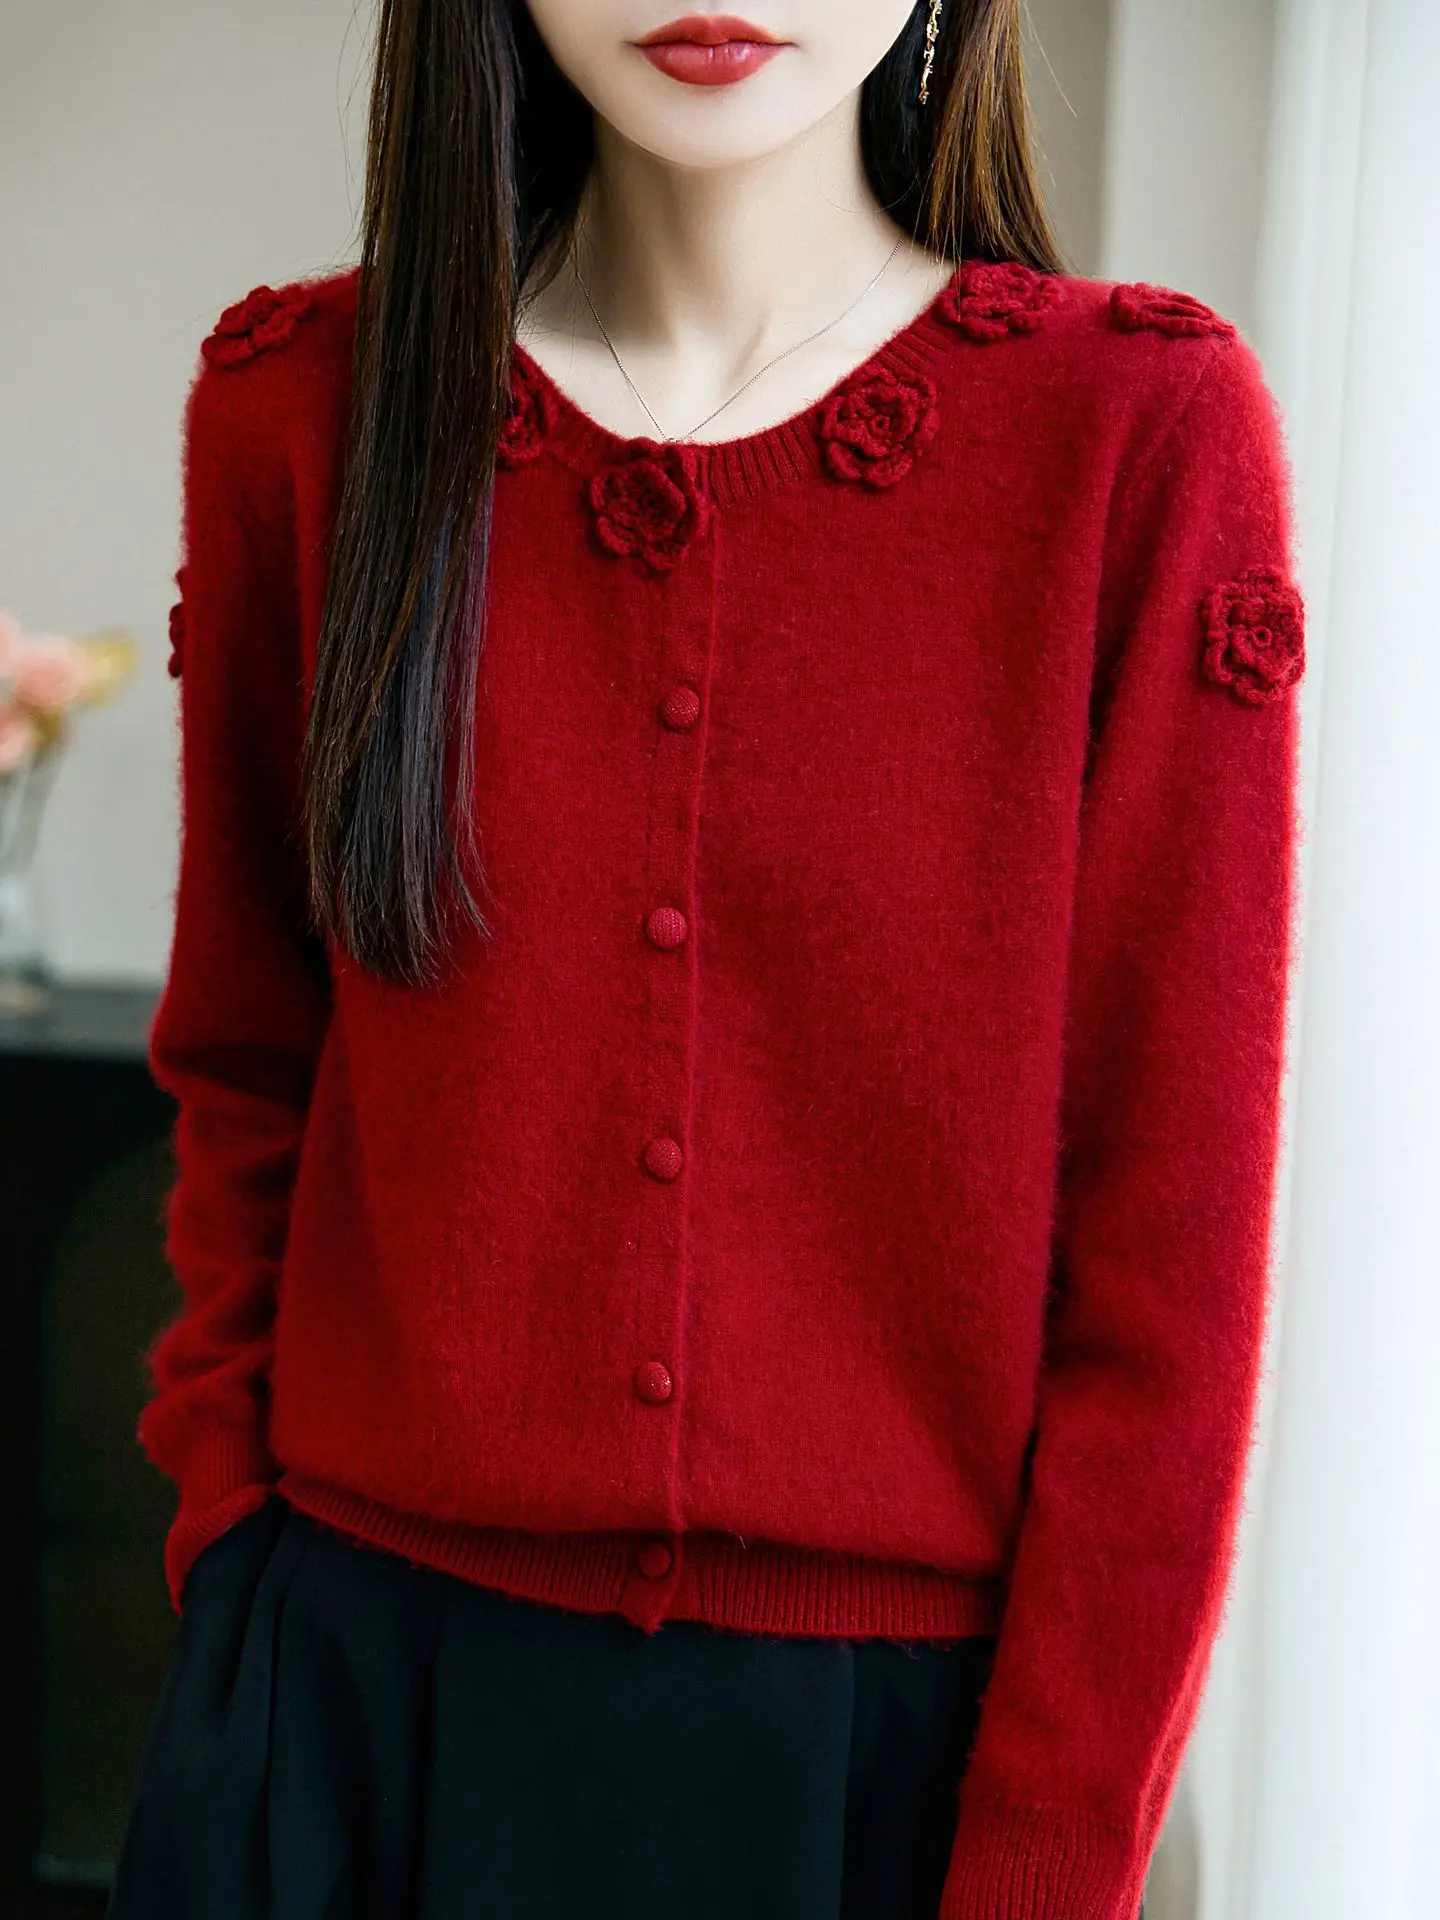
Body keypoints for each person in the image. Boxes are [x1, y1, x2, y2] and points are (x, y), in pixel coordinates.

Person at [108, 2, 1306, 1916]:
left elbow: (1172, 1249)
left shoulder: (1137, 434)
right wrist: (232, 1550)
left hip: (882, 1780)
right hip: (340, 1714)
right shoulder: (302, 408)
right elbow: (246, 1059)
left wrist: (1047, 1855)